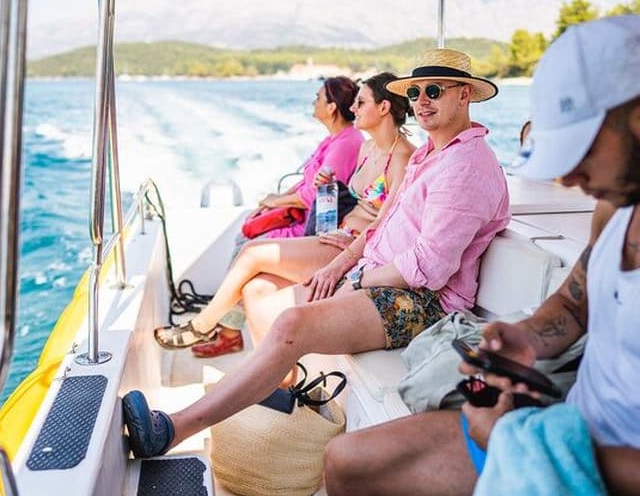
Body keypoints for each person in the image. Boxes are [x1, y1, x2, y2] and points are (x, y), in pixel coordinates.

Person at [323, 15, 640, 496]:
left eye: (579, 155)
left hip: (600, 466)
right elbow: (575, 305)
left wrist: (511, 439)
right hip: (568, 429)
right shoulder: (616, 211)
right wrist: (524, 339)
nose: (569, 180)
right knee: (348, 461)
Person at [123, 49, 511, 460]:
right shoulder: (428, 156)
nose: (422, 101)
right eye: (415, 92)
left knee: (291, 323)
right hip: (380, 275)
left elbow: (428, 267)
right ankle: (283, 398)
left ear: (465, 95)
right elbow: (382, 226)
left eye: (434, 90)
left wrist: (359, 279)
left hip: (423, 303)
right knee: (259, 292)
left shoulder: (466, 166)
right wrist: (341, 265)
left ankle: (174, 429)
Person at [156, 72, 415, 356]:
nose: (353, 110)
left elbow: (384, 223)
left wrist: (343, 260)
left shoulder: (403, 158)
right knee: (256, 289)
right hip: (336, 232)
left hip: (352, 248)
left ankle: (202, 326)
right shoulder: (367, 148)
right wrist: (326, 187)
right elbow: (351, 197)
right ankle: (283, 384)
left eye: (361, 102)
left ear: (384, 108)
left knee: (253, 253)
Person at [252, 76, 364, 239]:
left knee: (246, 245)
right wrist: (275, 200)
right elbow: (306, 181)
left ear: (331, 107)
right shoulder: (333, 139)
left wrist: (275, 202)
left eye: (318, 98)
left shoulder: (346, 145)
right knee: (248, 229)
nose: (314, 103)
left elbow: (319, 194)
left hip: (311, 229)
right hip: (298, 218)